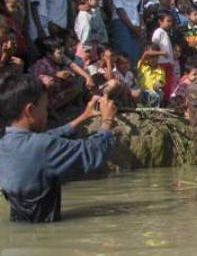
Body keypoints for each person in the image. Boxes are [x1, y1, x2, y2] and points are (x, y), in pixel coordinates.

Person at [0, 73, 116, 223]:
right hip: (42, 236)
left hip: (20, 231)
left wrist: (83, 116)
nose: (47, 113)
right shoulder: (42, 146)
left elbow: (49, 137)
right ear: (30, 110)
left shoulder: (5, 142)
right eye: (44, 107)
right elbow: (93, 152)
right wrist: (107, 120)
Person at [110, 0, 142, 68]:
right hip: (122, 23)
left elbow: (139, 9)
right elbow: (119, 8)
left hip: (135, 24)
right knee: (124, 56)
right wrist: (131, 27)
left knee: (135, 57)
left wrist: (139, 27)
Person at [151, 11, 175, 103]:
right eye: (167, 21)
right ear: (160, 21)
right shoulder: (158, 32)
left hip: (168, 62)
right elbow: (154, 46)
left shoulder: (165, 33)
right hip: (161, 62)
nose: (170, 23)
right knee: (163, 83)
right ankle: (162, 101)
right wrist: (160, 53)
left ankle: (166, 100)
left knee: (168, 83)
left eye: (171, 21)